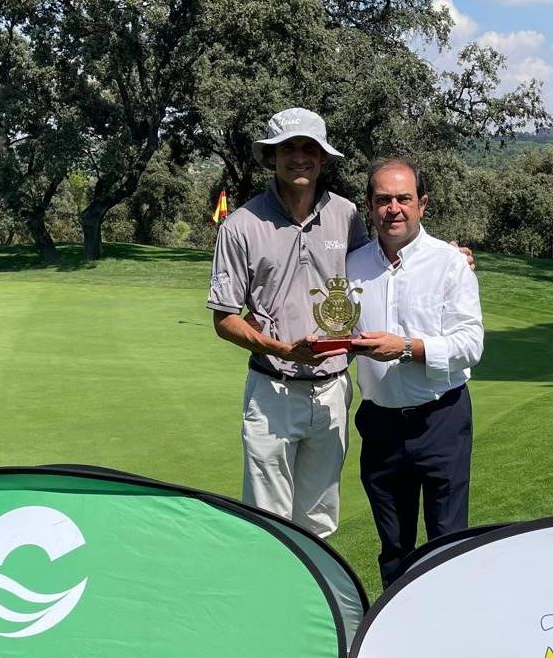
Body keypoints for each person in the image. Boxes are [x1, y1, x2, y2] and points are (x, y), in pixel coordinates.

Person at [207, 108, 368, 539]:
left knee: (319, 522)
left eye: (309, 148)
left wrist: (446, 256)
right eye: (289, 148)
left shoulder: (348, 215)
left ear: (322, 157)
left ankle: (316, 605)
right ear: (272, 157)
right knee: (268, 525)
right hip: (272, 391)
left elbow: (378, 273)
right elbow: (224, 319)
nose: (300, 157)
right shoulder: (241, 225)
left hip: (332, 389)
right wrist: (279, 348)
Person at [347, 158, 484, 584]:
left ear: (421, 204)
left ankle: (446, 637)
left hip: (440, 420)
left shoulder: (450, 263)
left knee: (448, 545)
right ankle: (393, 639)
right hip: (381, 425)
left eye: (404, 198)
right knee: (394, 550)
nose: (394, 208)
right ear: (369, 206)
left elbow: (470, 345)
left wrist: (406, 347)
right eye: (383, 199)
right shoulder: (351, 267)